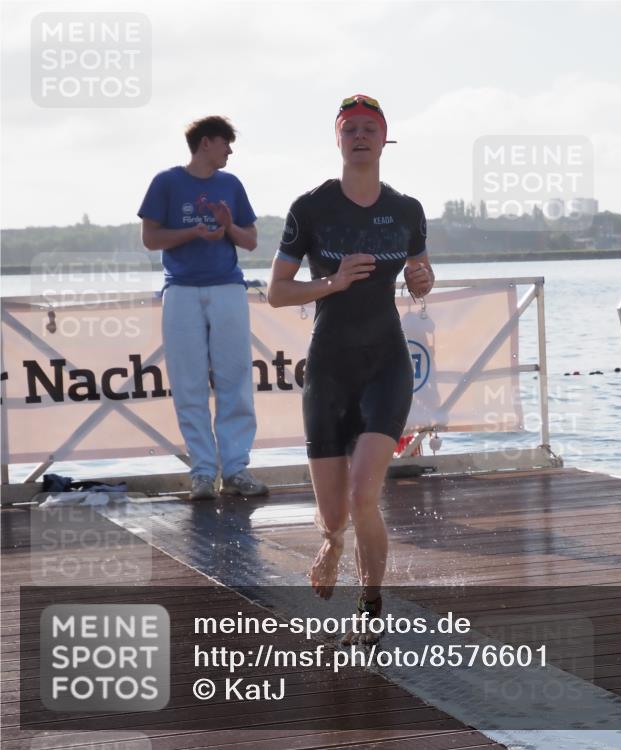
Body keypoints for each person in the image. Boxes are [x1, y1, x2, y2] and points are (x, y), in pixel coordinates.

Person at [267, 95, 433, 630]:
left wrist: (422, 280)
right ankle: (332, 542)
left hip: (386, 362)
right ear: (337, 140)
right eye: (350, 129)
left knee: (365, 493)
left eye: (369, 128)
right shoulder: (311, 208)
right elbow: (276, 292)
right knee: (335, 513)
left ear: (384, 139)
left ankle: (370, 602)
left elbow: (421, 276)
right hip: (329, 368)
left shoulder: (407, 210)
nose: (360, 136)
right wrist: (332, 282)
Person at [138, 115, 269, 501]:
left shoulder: (231, 185)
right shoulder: (166, 182)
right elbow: (150, 238)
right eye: (226, 143)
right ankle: (202, 473)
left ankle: (236, 469)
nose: (230, 151)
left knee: (235, 380)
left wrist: (228, 227)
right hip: (181, 290)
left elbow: (250, 241)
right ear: (207, 142)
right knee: (188, 383)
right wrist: (193, 232)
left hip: (227, 287)